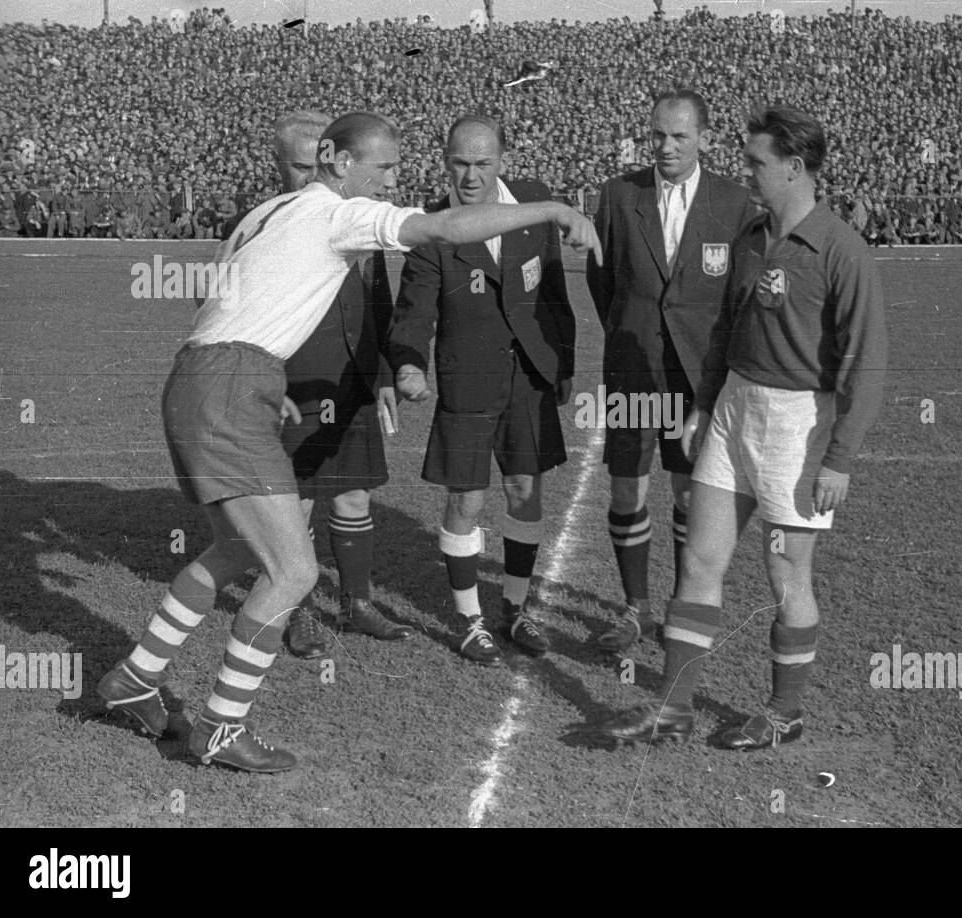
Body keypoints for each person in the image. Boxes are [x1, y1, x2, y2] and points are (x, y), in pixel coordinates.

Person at [96, 112, 600, 773]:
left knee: (238, 547)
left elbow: (229, 289)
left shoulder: (273, 210)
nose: (394, 180)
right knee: (296, 569)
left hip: (214, 377)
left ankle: (135, 678)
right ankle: (221, 726)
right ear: (336, 160)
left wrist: (254, 364)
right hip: (226, 386)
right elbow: (444, 226)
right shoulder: (338, 212)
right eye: (385, 168)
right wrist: (558, 208)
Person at [597, 106, 887, 750]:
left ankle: (784, 714)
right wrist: (704, 403)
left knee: (787, 579)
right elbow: (728, 327)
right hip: (732, 412)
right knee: (700, 561)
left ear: (796, 166)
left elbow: (867, 363)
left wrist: (838, 459)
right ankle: (672, 709)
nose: (747, 172)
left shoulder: (840, 249)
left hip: (796, 429)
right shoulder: (753, 235)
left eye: (758, 162)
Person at [390, 114, 575, 664]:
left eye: (483, 163)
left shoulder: (534, 203)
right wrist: (408, 364)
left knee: (525, 488)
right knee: (467, 497)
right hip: (468, 375)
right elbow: (414, 308)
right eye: (460, 163)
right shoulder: (431, 228)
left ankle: (516, 609)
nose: (471, 175)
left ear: (504, 160)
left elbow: (555, 290)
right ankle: (471, 619)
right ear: (445, 161)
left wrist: (563, 360)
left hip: (530, 373)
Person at [586, 88, 755, 652]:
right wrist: (628, 335)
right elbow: (601, 281)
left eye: (679, 136)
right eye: (658, 134)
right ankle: (635, 607)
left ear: (704, 138)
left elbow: (737, 296)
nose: (665, 146)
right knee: (628, 486)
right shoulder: (617, 195)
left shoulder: (733, 202)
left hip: (698, 374)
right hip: (634, 369)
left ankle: (683, 604)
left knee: (690, 495)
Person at [265, 110, 416, 659]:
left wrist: (380, 376)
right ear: (278, 165)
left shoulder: (358, 220)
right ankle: (300, 611)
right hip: (294, 382)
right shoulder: (266, 223)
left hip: (351, 378)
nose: (313, 177)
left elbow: (376, 302)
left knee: (353, 494)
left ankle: (357, 603)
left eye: (320, 165)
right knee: (299, 500)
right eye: (302, 167)